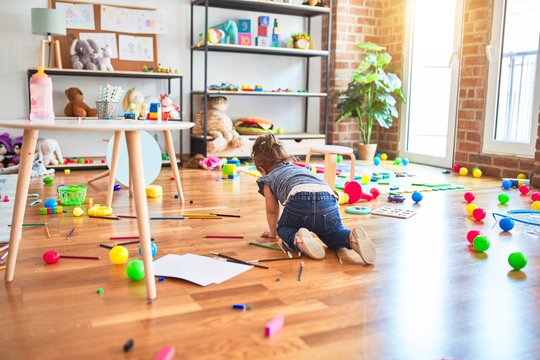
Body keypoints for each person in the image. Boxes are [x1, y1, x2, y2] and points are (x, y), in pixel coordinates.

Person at [252, 134, 376, 264]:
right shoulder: (299, 169)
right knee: (333, 234)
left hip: (299, 198)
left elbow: (271, 211)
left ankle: (298, 238)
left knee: (283, 228)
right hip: (328, 196)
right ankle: (352, 238)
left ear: (262, 169)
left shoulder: (268, 179)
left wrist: (274, 233)